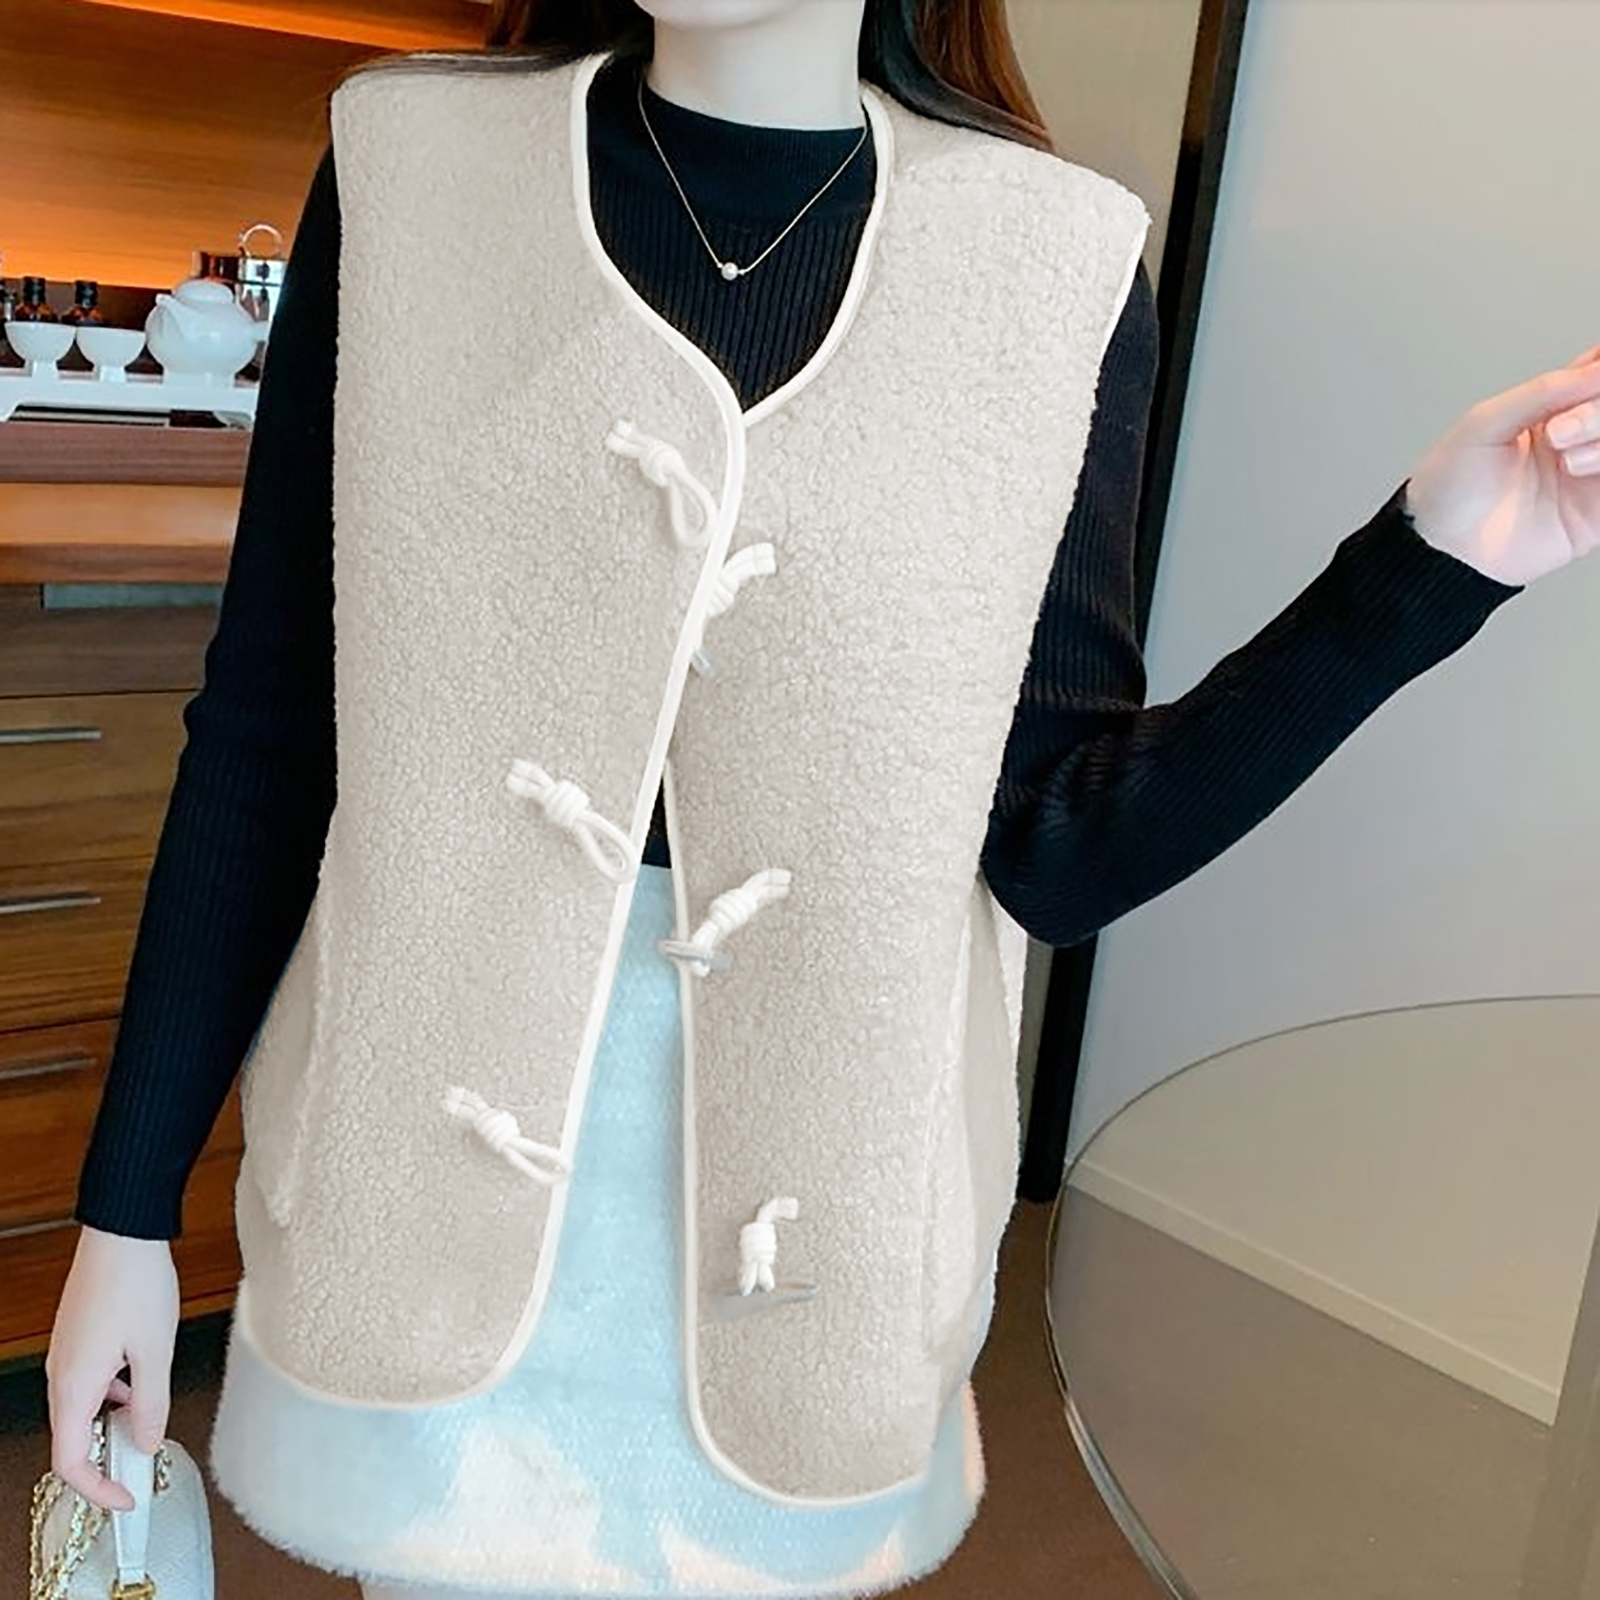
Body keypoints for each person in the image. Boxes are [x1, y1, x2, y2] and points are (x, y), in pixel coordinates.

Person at [43, 0, 1599, 1595]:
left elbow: (1056, 847)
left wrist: (1425, 571)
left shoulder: (1049, 270)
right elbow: (268, 732)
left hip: (813, 1249)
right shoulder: (415, 170)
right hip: (413, 1192)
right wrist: (127, 1213)